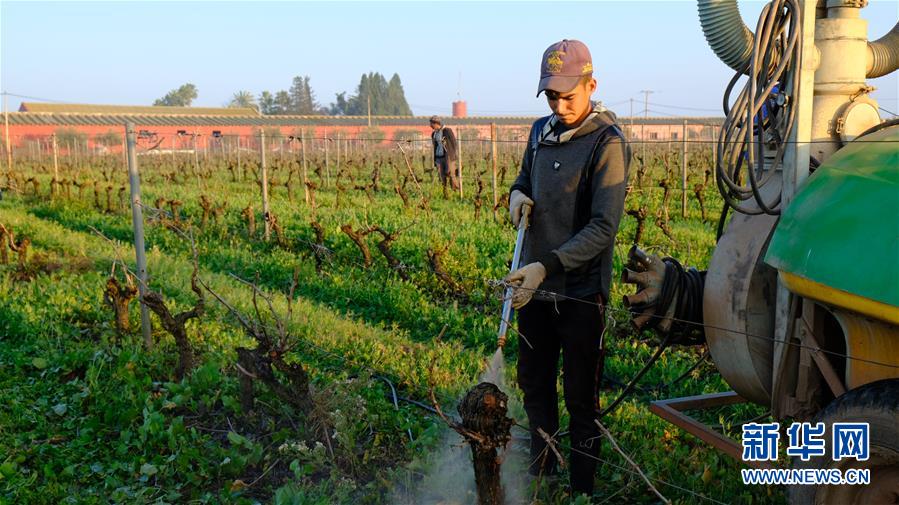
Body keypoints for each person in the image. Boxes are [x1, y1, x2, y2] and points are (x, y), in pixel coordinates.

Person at [505, 39, 629, 498]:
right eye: (552, 96)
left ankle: (581, 489)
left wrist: (547, 265)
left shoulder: (606, 144)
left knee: (579, 397)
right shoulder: (540, 132)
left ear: (591, 85)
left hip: (578, 292)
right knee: (534, 383)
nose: (559, 105)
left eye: (568, 96)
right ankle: (542, 474)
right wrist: (516, 195)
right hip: (532, 288)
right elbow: (522, 180)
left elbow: (603, 228)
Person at [429, 115, 459, 196]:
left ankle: (455, 191)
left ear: (436, 123)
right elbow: (435, 146)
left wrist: (451, 155)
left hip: (448, 157)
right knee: (441, 175)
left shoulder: (447, 130)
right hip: (439, 157)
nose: (430, 125)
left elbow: (454, 143)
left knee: (450, 173)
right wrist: (435, 159)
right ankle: (445, 192)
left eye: (431, 124)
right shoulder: (434, 134)